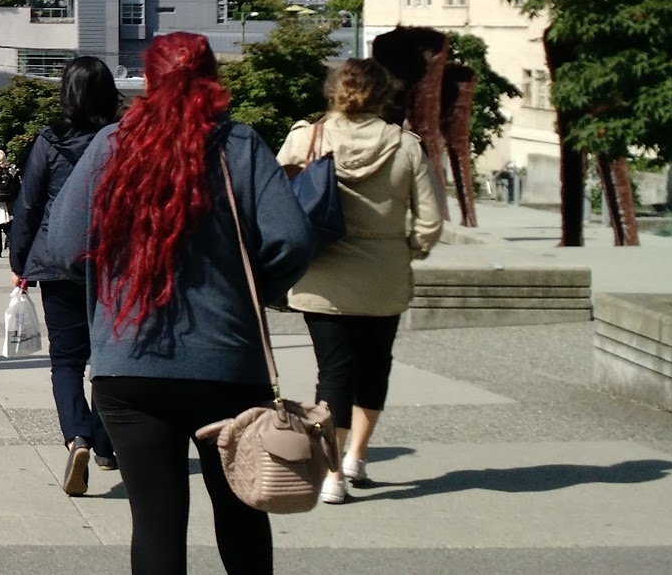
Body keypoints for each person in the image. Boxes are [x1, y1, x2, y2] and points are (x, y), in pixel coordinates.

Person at [43, 33, 314, 575]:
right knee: (242, 515)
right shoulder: (240, 146)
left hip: (131, 363)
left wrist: (112, 280)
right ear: (213, 79)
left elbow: (65, 244)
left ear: (148, 80)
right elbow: (293, 241)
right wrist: (247, 287)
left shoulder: (112, 145)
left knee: (157, 525)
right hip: (228, 364)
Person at [277, 58, 444, 505]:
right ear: (382, 94)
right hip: (383, 275)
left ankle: (331, 476)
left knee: (332, 373)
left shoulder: (305, 139)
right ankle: (357, 455)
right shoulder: (406, 146)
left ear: (333, 91)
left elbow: (272, 204)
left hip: (322, 276)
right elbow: (429, 220)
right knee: (374, 367)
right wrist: (407, 249)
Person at [9, 55, 121, 494]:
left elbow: (29, 205)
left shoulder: (49, 142)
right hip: (113, 263)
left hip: (57, 260)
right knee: (112, 358)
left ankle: (76, 435)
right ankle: (107, 444)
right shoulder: (120, 141)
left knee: (67, 359)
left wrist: (21, 262)